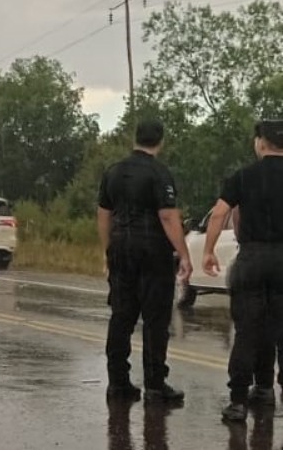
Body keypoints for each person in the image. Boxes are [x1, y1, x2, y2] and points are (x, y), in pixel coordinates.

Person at [97, 119, 192, 403]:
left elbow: (104, 214)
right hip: (153, 250)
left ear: (134, 138)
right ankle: (154, 384)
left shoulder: (113, 172)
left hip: (121, 247)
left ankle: (118, 382)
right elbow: (167, 216)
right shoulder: (159, 174)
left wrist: (108, 249)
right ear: (160, 141)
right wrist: (184, 254)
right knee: (155, 318)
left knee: (121, 316)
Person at [203, 119, 283, 422]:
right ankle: (265, 389)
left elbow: (220, 214)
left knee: (248, 331)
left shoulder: (244, 176)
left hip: (252, 258)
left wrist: (209, 250)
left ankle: (238, 401)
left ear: (261, 143)